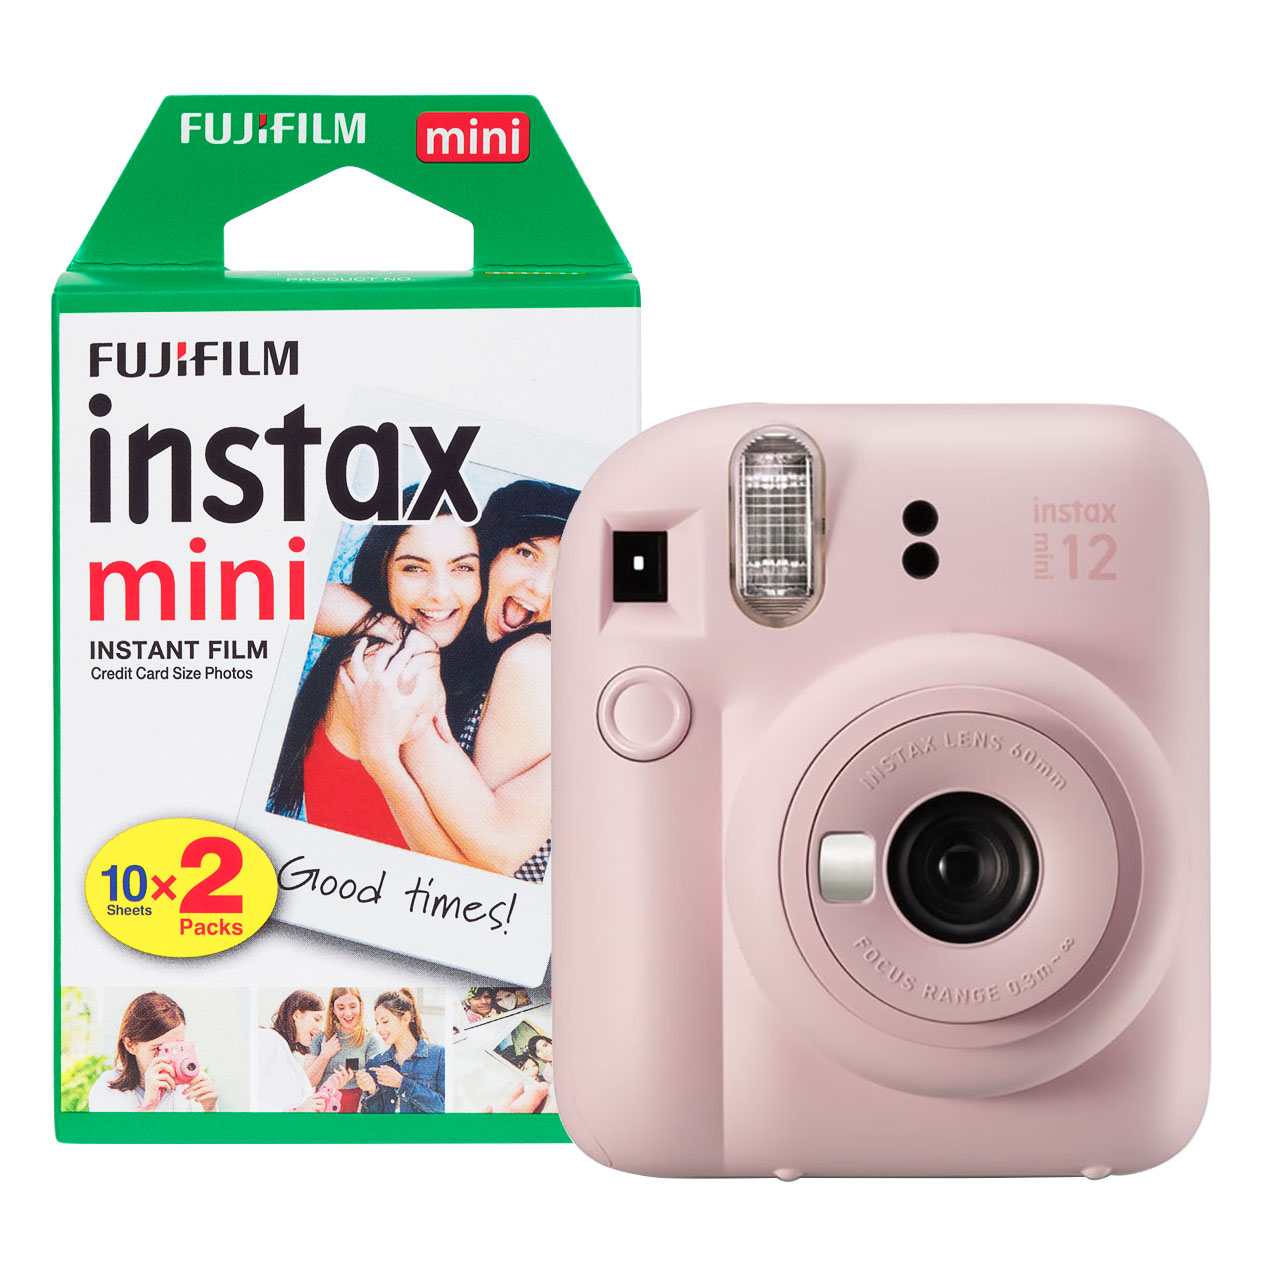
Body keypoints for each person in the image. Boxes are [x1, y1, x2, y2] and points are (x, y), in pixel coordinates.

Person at [338, 480, 577, 880]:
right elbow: (320, 601)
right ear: (488, 553)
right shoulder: (449, 647)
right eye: (525, 553)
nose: (540, 586)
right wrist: (407, 637)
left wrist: (383, 762)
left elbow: (493, 865)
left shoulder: (535, 660)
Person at [268, 501, 481, 851]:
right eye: (414, 568)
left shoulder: (391, 647)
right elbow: (485, 862)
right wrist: (416, 642)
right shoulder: (394, 671)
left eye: (462, 568)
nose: (440, 593)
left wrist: (409, 637)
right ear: (384, 572)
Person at [87, 991, 218, 1113]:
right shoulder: (106, 1091)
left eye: (178, 1047)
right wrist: (149, 1105)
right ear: (130, 1045)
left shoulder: (194, 1084)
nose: (170, 1060)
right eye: (159, 1049)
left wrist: (210, 1110)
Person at [256, 989, 350, 1112]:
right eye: (317, 1019)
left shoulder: (291, 1057)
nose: (321, 1029)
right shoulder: (268, 1039)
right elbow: (251, 1098)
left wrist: (329, 1085)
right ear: (297, 1015)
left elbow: (300, 1104)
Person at [356, 989, 444, 1114]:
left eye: (385, 1021)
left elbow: (445, 1108)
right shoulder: (376, 1063)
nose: (379, 1029)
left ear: (406, 1018)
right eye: (377, 1023)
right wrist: (371, 1091)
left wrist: (402, 1083)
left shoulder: (439, 1056)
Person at [308, 987, 385, 1087]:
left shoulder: (371, 1039)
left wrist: (367, 1083)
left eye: (353, 1007)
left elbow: (377, 1086)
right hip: (325, 1095)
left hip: (358, 1096)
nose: (348, 1013)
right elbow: (307, 1083)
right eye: (341, 1008)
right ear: (333, 1010)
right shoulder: (320, 1038)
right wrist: (324, 1056)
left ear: (360, 1006)